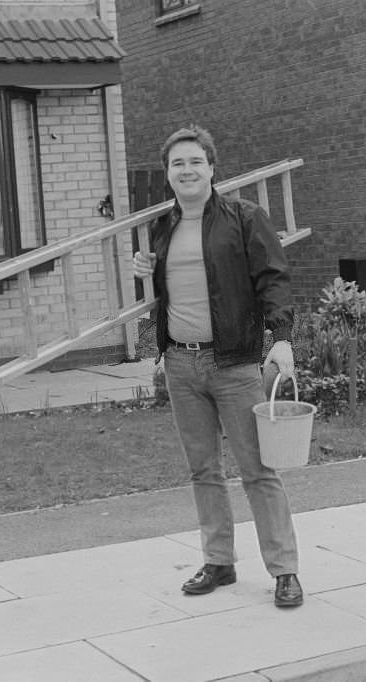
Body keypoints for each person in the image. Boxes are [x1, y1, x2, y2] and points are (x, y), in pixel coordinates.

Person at [132, 125, 302, 608]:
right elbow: (167, 295)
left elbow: (274, 279)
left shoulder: (245, 218)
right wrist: (146, 273)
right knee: (203, 470)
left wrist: (282, 339)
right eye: (177, 164)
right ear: (168, 174)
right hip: (181, 364)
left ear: (211, 167)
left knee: (258, 470)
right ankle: (219, 561)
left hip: (234, 364)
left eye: (194, 162)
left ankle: (285, 569)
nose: (186, 170)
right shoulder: (162, 228)